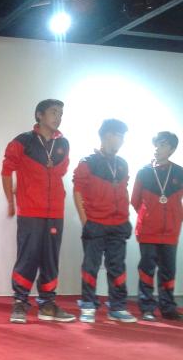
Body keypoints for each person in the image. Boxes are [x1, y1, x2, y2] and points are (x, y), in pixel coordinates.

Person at [2, 99, 75, 324]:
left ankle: (47, 304)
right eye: (53, 112)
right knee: (28, 257)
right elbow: (6, 171)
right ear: (39, 115)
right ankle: (20, 302)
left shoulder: (63, 144)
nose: (58, 117)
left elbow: (60, 172)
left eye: (60, 113)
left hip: (55, 212)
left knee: (51, 259)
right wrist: (11, 201)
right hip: (30, 211)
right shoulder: (23, 141)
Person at [73, 119, 135, 323]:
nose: (122, 140)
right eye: (120, 136)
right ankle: (88, 305)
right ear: (108, 135)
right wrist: (85, 221)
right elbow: (78, 191)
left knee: (117, 267)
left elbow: (124, 190)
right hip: (95, 223)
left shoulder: (122, 163)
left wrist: (126, 218)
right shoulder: (88, 162)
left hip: (118, 224)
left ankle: (117, 306)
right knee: (90, 266)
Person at [132, 131, 183, 321]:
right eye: (156, 144)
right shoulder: (144, 172)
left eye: (162, 145)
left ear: (172, 149)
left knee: (168, 271)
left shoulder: (179, 172)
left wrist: (175, 217)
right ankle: (147, 308)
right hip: (148, 230)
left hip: (170, 232)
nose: (157, 148)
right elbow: (135, 200)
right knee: (147, 270)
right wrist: (149, 215)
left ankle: (168, 308)